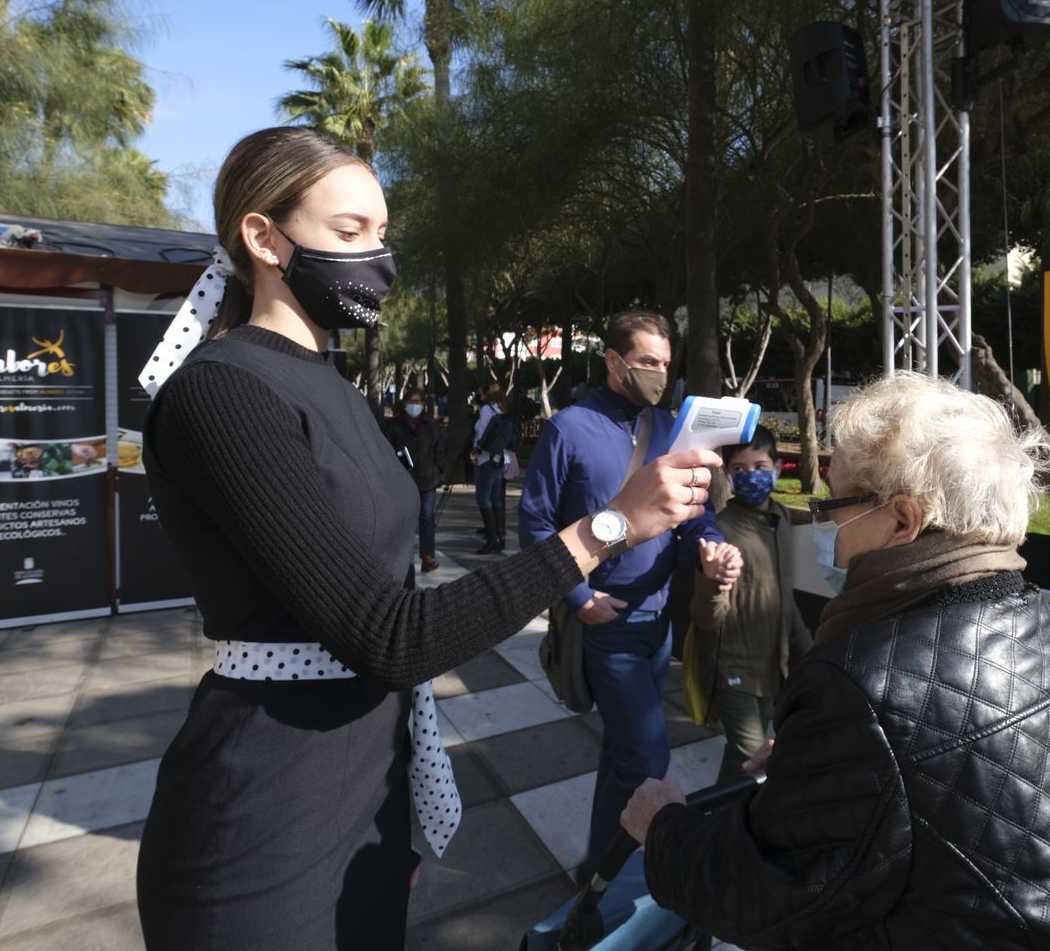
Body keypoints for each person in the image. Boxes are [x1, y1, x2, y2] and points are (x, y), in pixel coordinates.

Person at [133, 126, 727, 951]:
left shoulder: (329, 386)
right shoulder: (223, 394)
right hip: (266, 815)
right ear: (263, 238)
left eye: (381, 234)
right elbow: (391, 634)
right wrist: (608, 528)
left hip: (366, 795)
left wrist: (401, 799)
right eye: (349, 234)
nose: (377, 258)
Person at [623, 372, 1050, 951]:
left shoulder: (865, 686)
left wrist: (664, 830)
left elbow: (763, 898)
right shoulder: (1040, 623)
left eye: (832, 504)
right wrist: (836, 762)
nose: (828, 530)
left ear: (904, 520)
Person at [520, 309, 743, 874]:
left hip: (659, 621)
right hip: (606, 623)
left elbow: (691, 515)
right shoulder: (568, 427)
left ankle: (598, 870)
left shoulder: (669, 428)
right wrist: (579, 600)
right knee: (648, 755)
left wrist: (710, 548)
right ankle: (618, 876)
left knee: (622, 752)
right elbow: (536, 524)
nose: (659, 375)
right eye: (646, 362)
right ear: (613, 361)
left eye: (666, 364)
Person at [690, 424, 812, 784]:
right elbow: (703, 617)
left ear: (776, 468)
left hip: (774, 667)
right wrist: (714, 579)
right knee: (755, 760)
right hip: (732, 669)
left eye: (759, 466)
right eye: (739, 469)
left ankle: (716, 815)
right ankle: (727, 831)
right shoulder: (720, 530)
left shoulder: (781, 517)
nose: (750, 476)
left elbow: (784, 595)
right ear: (727, 475)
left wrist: (808, 652)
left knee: (743, 760)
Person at [382, 387, 446, 573]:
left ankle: (428, 556)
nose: (414, 405)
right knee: (404, 519)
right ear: (405, 403)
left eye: (418, 402)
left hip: (427, 478)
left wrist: (439, 469)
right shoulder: (395, 424)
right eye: (411, 401)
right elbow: (387, 448)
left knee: (426, 519)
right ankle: (403, 558)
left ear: (423, 404)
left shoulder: (430, 424)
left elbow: (439, 448)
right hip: (403, 480)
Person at [471, 382, 513, 553]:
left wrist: (476, 449)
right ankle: (499, 537)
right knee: (496, 498)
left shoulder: (486, 410)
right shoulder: (501, 409)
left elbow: (481, 432)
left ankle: (492, 539)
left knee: (483, 498)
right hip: (503, 459)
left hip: (486, 459)